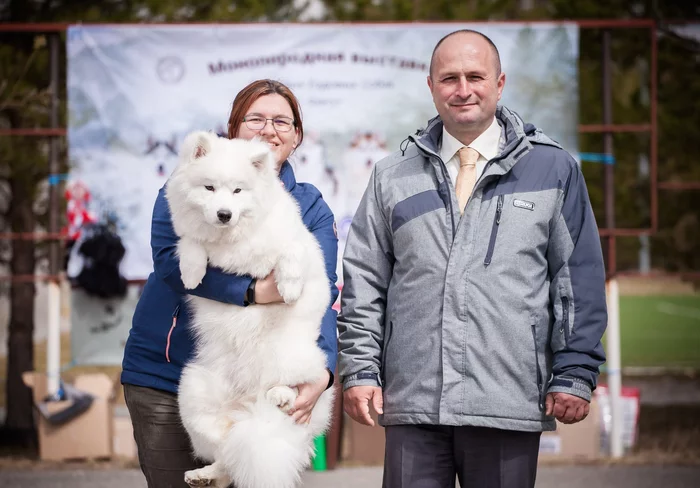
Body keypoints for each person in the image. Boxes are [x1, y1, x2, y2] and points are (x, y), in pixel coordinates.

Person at [338, 29, 607, 488]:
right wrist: (361, 369)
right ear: (431, 86)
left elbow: (576, 277)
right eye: (449, 78)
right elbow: (365, 281)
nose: (463, 89)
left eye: (475, 76)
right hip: (414, 403)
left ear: (500, 83)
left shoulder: (553, 169)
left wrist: (575, 371)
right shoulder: (392, 177)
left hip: (509, 400)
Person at [121, 79, 339, 488]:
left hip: (260, 376)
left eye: (281, 121)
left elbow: (321, 289)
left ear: (296, 137)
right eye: (255, 118)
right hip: (166, 373)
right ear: (234, 128)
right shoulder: (189, 186)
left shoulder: (308, 205)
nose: (268, 129)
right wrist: (251, 292)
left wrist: (323, 371)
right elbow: (170, 263)